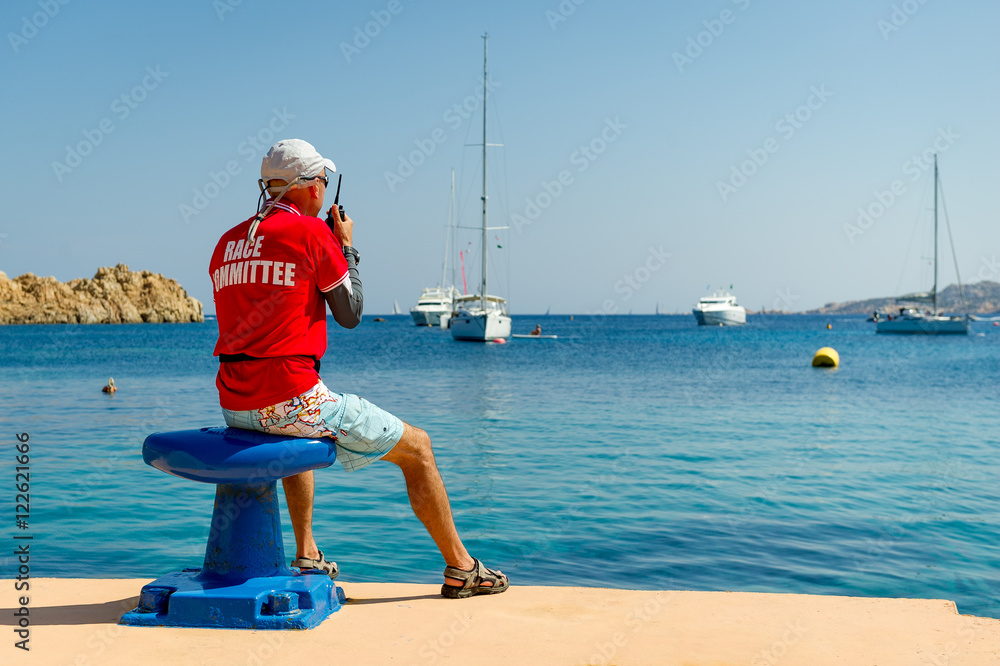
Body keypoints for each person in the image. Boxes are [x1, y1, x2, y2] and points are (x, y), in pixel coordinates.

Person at [208, 139, 507, 599]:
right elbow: (350, 312)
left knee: (296, 426)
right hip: (289, 400)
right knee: (419, 449)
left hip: (235, 403)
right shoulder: (312, 235)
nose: (325, 190)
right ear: (309, 187)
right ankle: (462, 568)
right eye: (324, 181)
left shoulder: (226, 244)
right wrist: (345, 247)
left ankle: (307, 552)